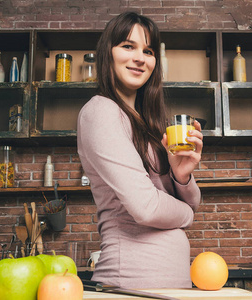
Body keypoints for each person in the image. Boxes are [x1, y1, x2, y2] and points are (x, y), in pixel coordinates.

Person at [77, 12, 203, 289]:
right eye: (127, 46)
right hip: (132, 283)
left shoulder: (145, 122)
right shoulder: (101, 111)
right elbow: (146, 208)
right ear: (106, 53)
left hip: (163, 286)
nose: (139, 58)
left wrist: (181, 176)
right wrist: (187, 215)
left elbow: (186, 202)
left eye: (148, 51)